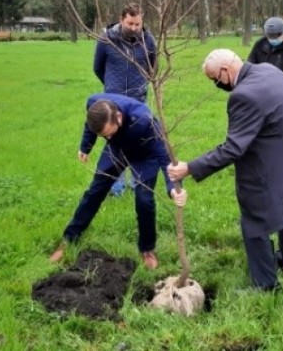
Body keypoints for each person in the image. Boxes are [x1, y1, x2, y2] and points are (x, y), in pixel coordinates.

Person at [167, 49, 283, 291]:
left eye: (214, 78)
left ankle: (266, 286)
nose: (215, 84)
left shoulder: (243, 95)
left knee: (254, 221)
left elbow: (233, 148)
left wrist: (190, 168)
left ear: (226, 71)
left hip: (278, 160)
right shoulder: (269, 70)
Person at [50, 93, 187, 269]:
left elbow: (164, 155)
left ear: (119, 117)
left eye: (109, 133)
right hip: (116, 151)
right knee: (95, 192)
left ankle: (147, 249)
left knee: (144, 200)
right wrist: (86, 146)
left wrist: (173, 188)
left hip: (144, 155)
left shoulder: (144, 120)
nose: (107, 137)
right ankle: (69, 239)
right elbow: (90, 126)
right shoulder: (95, 105)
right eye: (103, 136)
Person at [94, 3, 156, 196]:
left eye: (138, 24)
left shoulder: (148, 40)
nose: (134, 28)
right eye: (130, 23)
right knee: (115, 143)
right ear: (122, 20)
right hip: (114, 100)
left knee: (139, 140)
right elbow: (98, 67)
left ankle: (139, 183)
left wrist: (141, 84)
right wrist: (112, 86)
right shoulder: (107, 40)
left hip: (138, 100)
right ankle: (116, 187)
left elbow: (152, 67)